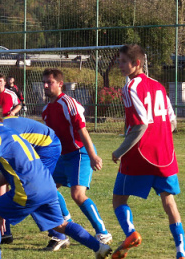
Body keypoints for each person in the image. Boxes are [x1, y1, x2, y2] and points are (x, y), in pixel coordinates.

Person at [0, 99, 112, 259]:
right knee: (60, 225)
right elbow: (10, 173)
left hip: (29, 190)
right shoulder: (8, 131)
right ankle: (99, 247)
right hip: (46, 185)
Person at [111, 44, 185, 259]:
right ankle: (181, 251)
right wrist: (159, 136)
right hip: (164, 154)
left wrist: (120, 150)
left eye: (124, 61)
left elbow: (141, 124)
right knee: (168, 201)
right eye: (119, 61)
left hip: (140, 153)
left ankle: (130, 233)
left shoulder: (130, 87)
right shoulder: (159, 86)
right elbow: (172, 122)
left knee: (119, 200)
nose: (120, 65)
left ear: (137, 63)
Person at [0, 111, 73, 252]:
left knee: (31, 191)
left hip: (46, 146)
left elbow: (2, 180)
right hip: (36, 148)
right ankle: (5, 233)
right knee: (27, 191)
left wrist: (0, 214)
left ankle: (60, 233)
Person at [41, 68, 112, 245]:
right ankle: (67, 226)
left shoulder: (68, 103)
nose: (45, 85)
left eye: (49, 82)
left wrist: (93, 155)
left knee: (77, 195)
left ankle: (102, 232)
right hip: (62, 156)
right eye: (44, 82)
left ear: (60, 84)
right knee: (47, 189)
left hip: (79, 153)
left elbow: (82, 130)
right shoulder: (46, 110)